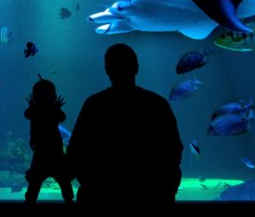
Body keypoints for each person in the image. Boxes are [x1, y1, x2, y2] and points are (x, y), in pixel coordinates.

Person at [66, 43, 183, 207]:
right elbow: (173, 151)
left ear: (107, 69)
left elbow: (75, 152)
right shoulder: (157, 104)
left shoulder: (94, 105)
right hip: (151, 196)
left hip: (100, 196)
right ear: (136, 67)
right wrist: (167, 188)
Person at [23, 76, 74, 204]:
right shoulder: (53, 112)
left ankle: (30, 201)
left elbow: (27, 114)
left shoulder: (35, 113)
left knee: (34, 181)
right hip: (56, 154)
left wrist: (32, 107)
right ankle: (69, 200)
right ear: (54, 97)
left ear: (34, 96)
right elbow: (62, 117)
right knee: (64, 180)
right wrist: (57, 108)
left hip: (40, 154)